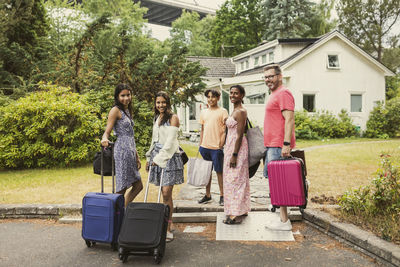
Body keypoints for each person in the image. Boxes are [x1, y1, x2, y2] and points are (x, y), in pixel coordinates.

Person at [145, 91, 184, 243]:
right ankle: (165, 223)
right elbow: (154, 140)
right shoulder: (157, 118)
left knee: (167, 193)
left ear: (168, 103)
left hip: (169, 157)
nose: (160, 105)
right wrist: (150, 158)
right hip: (156, 155)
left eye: (163, 102)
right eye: (158, 102)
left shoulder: (173, 118)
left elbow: (170, 142)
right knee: (162, 192)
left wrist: (159, 159)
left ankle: (168, 227)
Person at [263, 64, 296, 231]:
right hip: (272, 144)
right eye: (266, 77)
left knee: (279, 183)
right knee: (275, 183)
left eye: (271, 76)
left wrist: (286, 144)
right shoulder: (274, 93)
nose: (268, 79)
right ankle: (282, 218)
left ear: (280, 76)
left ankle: (284, 221)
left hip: (278, 145)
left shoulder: (284, 93)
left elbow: (289, 119)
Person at [101, 84, 143, 207]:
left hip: (130, 150)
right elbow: (107, 131)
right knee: (122, 186)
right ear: (117, 96)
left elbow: (131, 135)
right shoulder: (115, 110)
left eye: (128, 95)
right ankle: (115, 214)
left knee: (138, 185)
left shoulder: (128, 110)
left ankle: (121, 211)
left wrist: (137, 156)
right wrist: (104, 138)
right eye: (122, 95)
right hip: (122, 151)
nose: (126, 98)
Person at [222, 85, 251, 224]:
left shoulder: (240, 111)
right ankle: (241, 209)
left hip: (237, 148)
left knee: (235, 180)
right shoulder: (234, 109)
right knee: (235, 178)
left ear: (242, 95)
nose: (233, 95)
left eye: (236, 93)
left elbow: (239, 135)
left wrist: (234, 154)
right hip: (230, 146)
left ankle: (235, 213)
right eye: (231, 93)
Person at [197, 89, 229, 206]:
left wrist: (221, 144)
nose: (211, 99)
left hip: (217, 148)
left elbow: (226, 129)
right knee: (207, 173)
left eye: (213, 97)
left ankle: (222, 195)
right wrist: (200, 145)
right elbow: (202, 129)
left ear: (218, 98)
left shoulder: (223, 111)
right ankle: (207, 195)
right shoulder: (204, 112)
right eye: (209, 97)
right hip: (205, 147)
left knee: (219, 172)